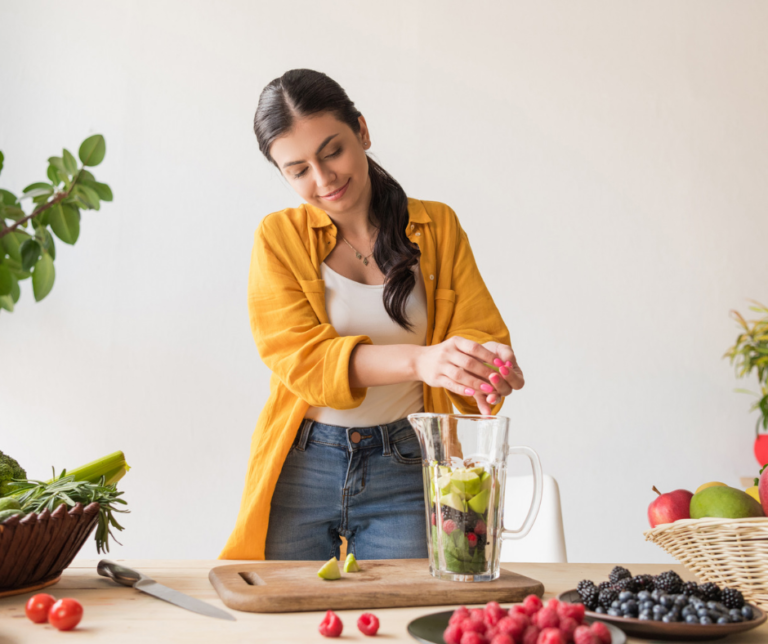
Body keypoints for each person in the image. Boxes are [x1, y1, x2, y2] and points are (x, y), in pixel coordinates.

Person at [219, 69, 524, 562]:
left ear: (361, 130)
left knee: (404, 623)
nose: (323, 180)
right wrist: (421, 360)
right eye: (298, 170)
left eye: (332, 151)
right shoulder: (278, 238)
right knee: (283, 624)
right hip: (303, 462)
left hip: (407, 462)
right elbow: (302, 361)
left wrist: (485, 366)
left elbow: (476, 330)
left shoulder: (437, 226)